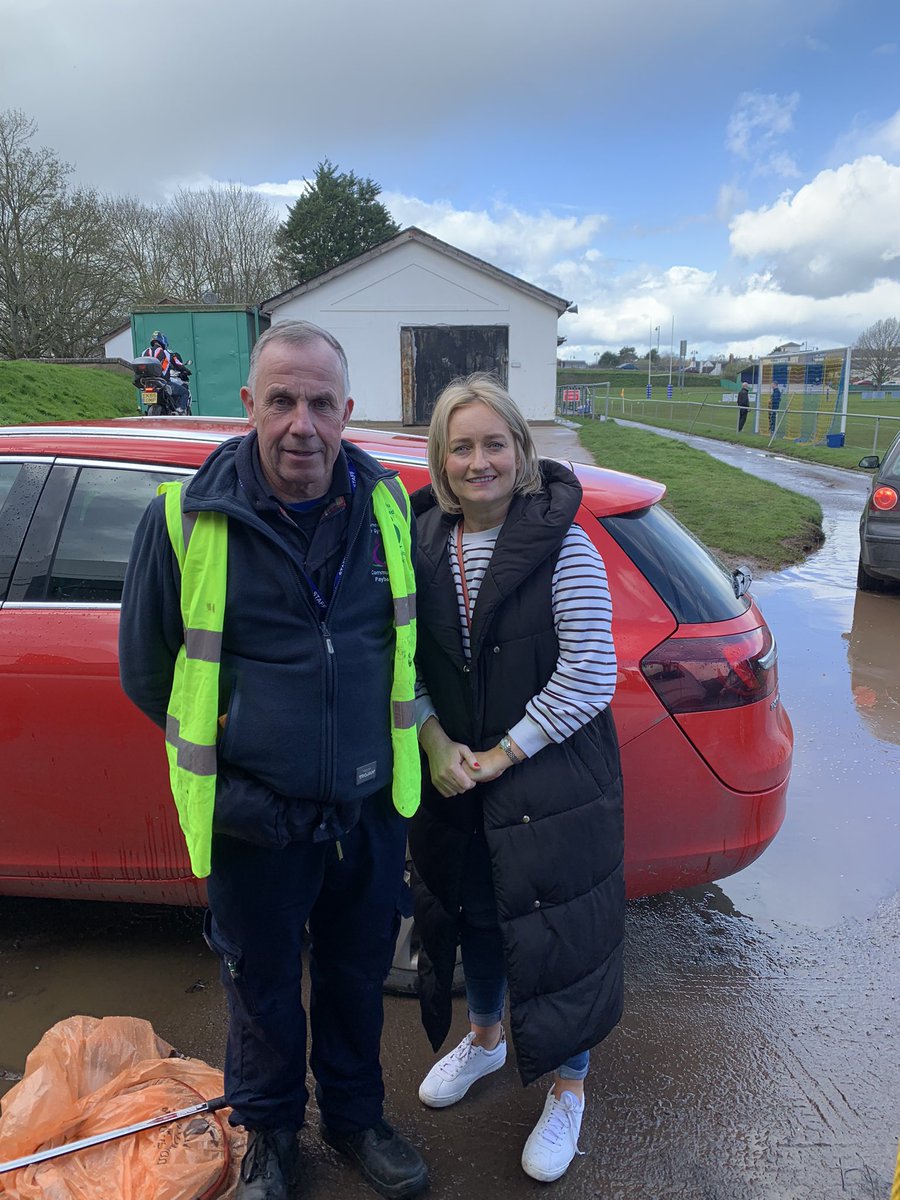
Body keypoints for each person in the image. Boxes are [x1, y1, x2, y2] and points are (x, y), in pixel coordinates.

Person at [119, 320, 428, 1200]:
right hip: (252, 819)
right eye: (283, 400)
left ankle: (358, 1120)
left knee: (356, 978)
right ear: (251, 405)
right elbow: (149, 675)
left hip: (365, 813)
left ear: (347, 414)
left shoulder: (388, 510)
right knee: (259, 991)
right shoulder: (182, 521)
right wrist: (241, 791)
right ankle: (270, 1137)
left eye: (321, 403)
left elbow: (405, 652)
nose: (303, 423)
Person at [408, 373, 624, 1183]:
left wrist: (501, 754)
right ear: (441, 457)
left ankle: (569, 1086)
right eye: (461, 446)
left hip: (549, 783)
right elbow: (404, 659)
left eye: (494, 443)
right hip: (457, 778)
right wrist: (432, 741)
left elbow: (590, 674)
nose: (478, 461)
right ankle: (489, 1041)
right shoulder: (426, 541)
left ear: (521, 451)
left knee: (555, 935)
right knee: (479, 921)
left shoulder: (563, 542)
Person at [142, 330, 191, 413]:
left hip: (147, 383)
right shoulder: (166, 353)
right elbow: (178, 364)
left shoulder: (144, 352)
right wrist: (186, 370)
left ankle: (147, 412)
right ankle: (180, 411)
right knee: (184, 393)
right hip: (163, 382)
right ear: (163, 341)